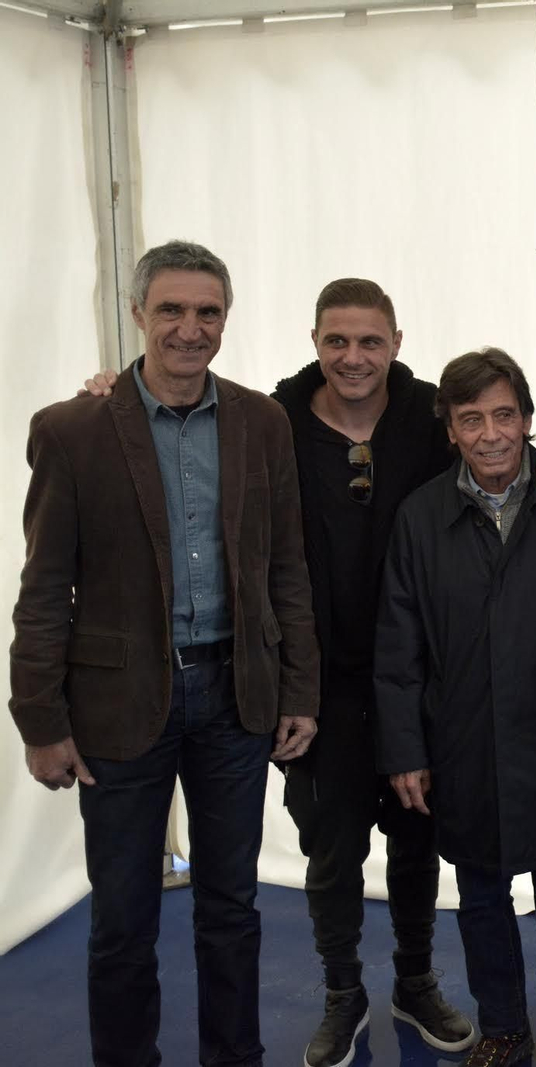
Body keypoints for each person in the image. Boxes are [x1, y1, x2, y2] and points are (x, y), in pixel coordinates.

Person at [79, 278, 536, 1067]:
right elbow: (168, 413)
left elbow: (498, 436)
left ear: (397, 343)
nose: (354, 357)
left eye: (370, 341)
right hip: (319, 682)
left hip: (424, 678)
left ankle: (415, 981)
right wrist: (111, 387)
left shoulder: (426, 413)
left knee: (419, 840)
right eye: (338, 341)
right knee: (333, 845)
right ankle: (342, 991)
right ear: (315, 341)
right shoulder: (267, 419)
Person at [9, 239, 320, 1067]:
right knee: (122, 920)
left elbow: (285, 567)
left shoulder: (263, 421)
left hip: (236, 700)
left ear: (226, 319)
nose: (191, 328)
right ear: (139, 314)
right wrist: (39, 719)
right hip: (119, 708)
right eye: (173, 310)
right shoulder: (71, 430)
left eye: (208, 312)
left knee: (233, 908)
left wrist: (300, 689)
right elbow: (43, 590)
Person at [376, 348, 536, 1067]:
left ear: (529, 421)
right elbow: (397, 644)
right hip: (463, 741)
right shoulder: (419, 518)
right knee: (480, 899)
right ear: (450, 430)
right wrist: (405, 748)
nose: (490, 433)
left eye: (505, 414)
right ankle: (502, 1027)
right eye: (471, 419)